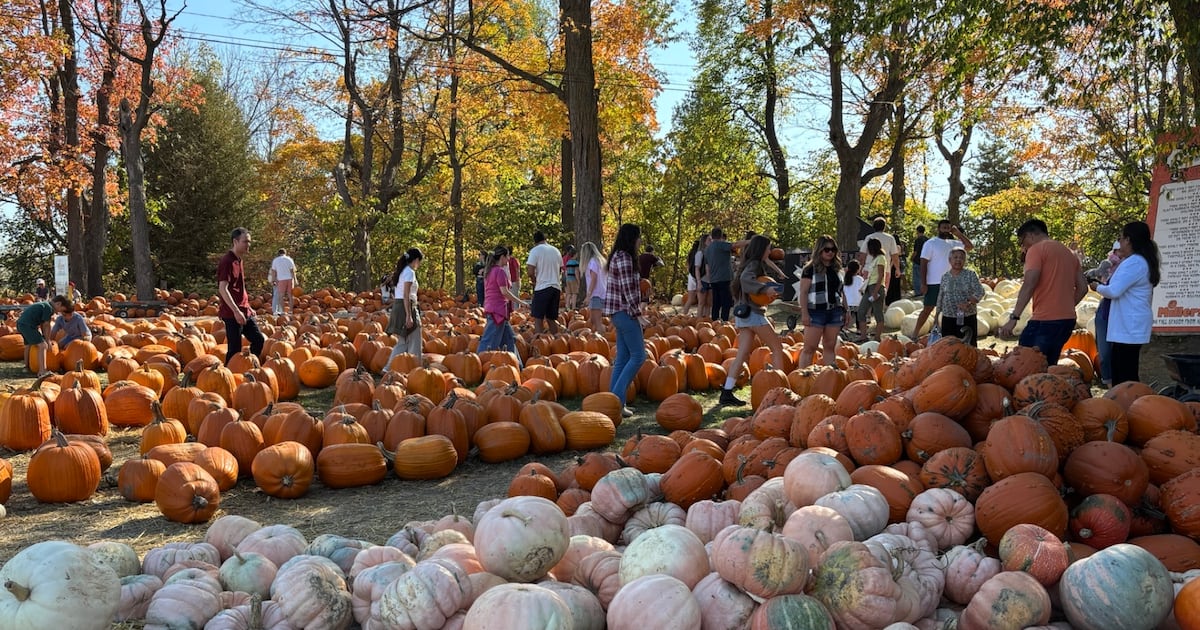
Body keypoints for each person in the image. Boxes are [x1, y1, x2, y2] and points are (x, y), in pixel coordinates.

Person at [999, 219, 1089, 363]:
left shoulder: (1036, 249)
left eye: (1022, 242)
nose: (1023, 247)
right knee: (1048, 366)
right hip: (1067, 320)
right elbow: (1083, 288)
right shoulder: (1070, 253)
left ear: (1030, 235)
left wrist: (1014, 318)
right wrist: (1065, 306)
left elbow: (1029, 283)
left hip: (1045, 321)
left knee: (1026, 365)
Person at [720, 235, 788, 406]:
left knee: (742, 353)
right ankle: (779, 392)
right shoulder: (754, 264)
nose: (770, 251)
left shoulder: (750, 263)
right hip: (753, 314)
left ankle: (727, 391)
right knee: (777, 348)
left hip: (744, 314)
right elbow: (746, 281)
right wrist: (765, 289)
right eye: (768, 248)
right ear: (761, 249)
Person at [1093, 222, 1160, 386]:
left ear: (1128, 240)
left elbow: (1114, 291)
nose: (1119, 243)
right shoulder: (1140, 261)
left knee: (1124, 374)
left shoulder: (1134, 262)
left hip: (1129, 325)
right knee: (1124, 370)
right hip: (1130, 324)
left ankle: (1130, 405)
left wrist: (1097, 287)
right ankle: (1130, 404)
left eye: (1121, 238)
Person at [604, 224, 649, 418]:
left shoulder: (618, 256)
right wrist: (638, 313)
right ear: (632, 238)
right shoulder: (624, 258)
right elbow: (627, 289)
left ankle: (615, 405)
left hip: (619, 312)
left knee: (622, 358)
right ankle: (615, 397)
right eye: (638, 237)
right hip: (624, 312)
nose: (640, 241)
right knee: (639, 356)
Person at [914, 220, 974, 338]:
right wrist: (923, 283)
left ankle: (955, 334)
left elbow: (970, 246)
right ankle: (915, 334)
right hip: (934, 283)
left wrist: (958, 234)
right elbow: (923, 263)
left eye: (948, 227)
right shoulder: (930, 243)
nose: (946, 229)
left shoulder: (954, 244)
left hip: (953, 283)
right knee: (928, 309)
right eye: (944, 227)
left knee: (955, 310)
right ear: (938, 228)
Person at [217, 228, 265, 366]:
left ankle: (248, 366)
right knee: (234, 350)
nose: (248, 244)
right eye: (245, 242)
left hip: (244, 311)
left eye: (249, 242)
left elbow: (239, 287)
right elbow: (223, 288)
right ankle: (227, 376)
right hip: (232, 314)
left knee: (258, 339)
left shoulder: (239, 260)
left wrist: (247, 305)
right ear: (235, 241)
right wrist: (236, 311)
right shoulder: (227, 261)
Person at [798, 235, 847, 368]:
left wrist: (846, 310)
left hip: (835, 311)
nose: (830, 252)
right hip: (815, 312)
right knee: (809, 348)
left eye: (833, 249)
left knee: (830, 346)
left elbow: (841, 291)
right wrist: (804, 313)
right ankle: (802, 377)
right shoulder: (809, 269)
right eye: (827, 249)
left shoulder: (837, 268)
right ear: (819, 250)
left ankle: (830, 376)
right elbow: (803, 292)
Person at [478, 246, 527, 361]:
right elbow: (504, 292)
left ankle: (517, 366)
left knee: (509, 339)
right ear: (502, 257)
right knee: (489, 341)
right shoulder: (499, 271)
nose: (509, 259)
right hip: (497, 311)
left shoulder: (490, 271)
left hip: (496, 309)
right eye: (507, 256)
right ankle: (479, 363)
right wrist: (521, 302)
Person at [936, 247, 987, 346]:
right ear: (950, 260)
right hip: (948, 317)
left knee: (968, 346)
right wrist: (937, 314)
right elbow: (941, 295)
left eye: (961, 258)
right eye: (955, 257)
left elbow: (980, 291)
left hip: (967, 316)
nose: (958, 260)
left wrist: (968, 303)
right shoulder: (945, 277)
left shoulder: (970, 274)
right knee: (948, 346)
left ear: (965, 261)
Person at [1089, 240, 1124, 386]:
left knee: (1118, 351)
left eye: (1120, 251)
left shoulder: (1128, 267)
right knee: (1104, 352)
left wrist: (1098, 287)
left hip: (1120, 308)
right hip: (1105, 308)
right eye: (1115, 251)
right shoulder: (1108, 264)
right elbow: (1101, 274)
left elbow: (1115, 290)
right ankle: (1108, 381)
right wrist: (1095, 273)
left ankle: (1119, 382)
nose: (1117, 255)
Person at [385, 248, 424, 367]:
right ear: (416, 260)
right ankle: (415, 368)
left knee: (403, 342)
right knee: (415, 339)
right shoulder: (409, 272)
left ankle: (388, 368)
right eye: (419, 261)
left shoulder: (402, 271)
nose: (419, 264)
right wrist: (409, 316)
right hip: (406, 307)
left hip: (398, 306)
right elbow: (406, 295)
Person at [18, 295, 72, 375]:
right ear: (58, 304)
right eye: (61, 310)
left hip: (21, 324)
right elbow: (46, 325)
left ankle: (26, 367)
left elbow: (43, 324)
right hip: (28, 325)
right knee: (43, 346)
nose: (60, 312)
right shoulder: (48, 308)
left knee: (28, 345)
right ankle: (42, 370)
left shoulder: (44, 305)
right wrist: (47, 341)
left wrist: (44, 336)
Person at [526, 231, 563, 334]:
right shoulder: (556, 251)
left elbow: (530, 271)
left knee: (538, 318)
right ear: (545, 239)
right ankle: (556, 339)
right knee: (551, 318)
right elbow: (560, 269)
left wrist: (534, 281)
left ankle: (539, 340)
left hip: (542, 287)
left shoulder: (535, 251)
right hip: (555, 287)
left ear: (535, 241)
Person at [857, 217, 900, 304]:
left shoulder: (869, 237)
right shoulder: (890, 238)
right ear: (884, 227)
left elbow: (862, 254)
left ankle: (868, 313)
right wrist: (897, 269)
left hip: (869, 268)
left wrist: (860, 267)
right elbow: (894, 255)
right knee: (883, 291)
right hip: (885, 269)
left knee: (867, 291)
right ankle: (881, 310)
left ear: (874, 226)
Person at [857, 239, 888, 341]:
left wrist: (875, 291)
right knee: (861, 311)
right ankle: (863, 336)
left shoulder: (881, 258)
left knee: (878, 313)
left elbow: (881, 275)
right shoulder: (874, 259)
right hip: (869, 287)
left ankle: (877, 337)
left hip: (876, 287)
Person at [580, 241, 607, 334]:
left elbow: (593, 279)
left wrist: (588, 295)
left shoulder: (592, 262)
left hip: (596, 294)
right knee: (593, 320)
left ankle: (601, 340)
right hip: (601, 293)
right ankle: (602, 335)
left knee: (597, 321)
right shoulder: (600, 261)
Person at [269, 248, 298, 316]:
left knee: (281, 296)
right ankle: (290, 311)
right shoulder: (289, 259)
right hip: (290, 279)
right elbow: (292, 271)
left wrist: (273, 280)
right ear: (285, 253)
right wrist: (295, 279)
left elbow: (273, 271)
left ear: (278, 254)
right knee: (290, 296)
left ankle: (283, 311)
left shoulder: (275, 260)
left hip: (281, 279)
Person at [680, 238, 703, 316]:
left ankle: (683, 315)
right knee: (701, 300)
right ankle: (699, 316)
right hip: (698, 275)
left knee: (690, 299)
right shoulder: (700, 254)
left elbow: (688, 266)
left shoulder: (691, 254)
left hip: (691, 276)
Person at [843, 260, 864, 335]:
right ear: (858, 269)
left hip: (848, 302)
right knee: (858, 316)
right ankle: (859, 329)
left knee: (847, 317)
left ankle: (845, 327)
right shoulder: (860, 279)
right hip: (858, 302)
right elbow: (862, 290)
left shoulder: (845, 279)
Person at [695, 234, 712, 317]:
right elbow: (697, 268)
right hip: (703, 280)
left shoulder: (712, 253)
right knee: (701, 303)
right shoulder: (700, 253)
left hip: (711, 280)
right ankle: (699, 321)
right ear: (704, 242)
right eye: (709, 240)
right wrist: (698, 282)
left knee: (709, 303)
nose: (711, 241)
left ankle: (707, 320)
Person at [911, 225, 928, 297]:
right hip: (926, 261)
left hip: (918, 261)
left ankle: (918, 292)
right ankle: (925, 291)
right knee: (924, 277)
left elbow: (916, 252)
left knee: (916, 277)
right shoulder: (928, 240)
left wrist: (912, 258)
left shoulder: (918, 240)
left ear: (917, 231)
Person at [562, 244, 580, 310]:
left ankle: (567, 307)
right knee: (574, 294)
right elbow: (576, 272)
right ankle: (573, 307)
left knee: (568, 293)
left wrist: (566, 278)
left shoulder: (567, 262)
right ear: (575, 255)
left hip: (567, 278)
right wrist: (578, 281)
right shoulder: (575, 262)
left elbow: (565, 271)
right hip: (573, 278)